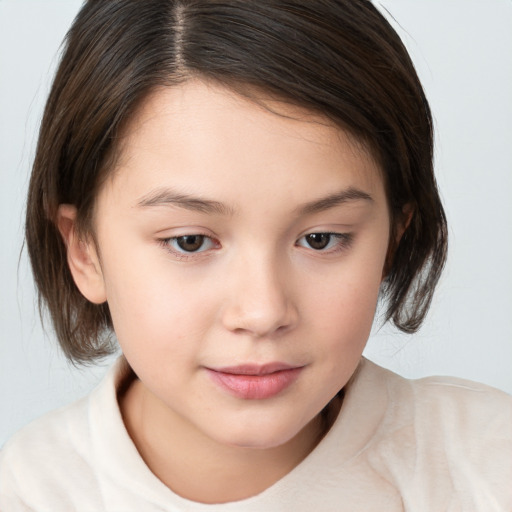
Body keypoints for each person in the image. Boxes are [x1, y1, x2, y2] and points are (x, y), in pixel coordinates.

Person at [0, 0, 510, 510]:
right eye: (190, 241)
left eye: (320, 238)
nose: (263, 312)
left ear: (392, 241)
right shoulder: (30, 492)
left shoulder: (486, 465)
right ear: (84, 249)